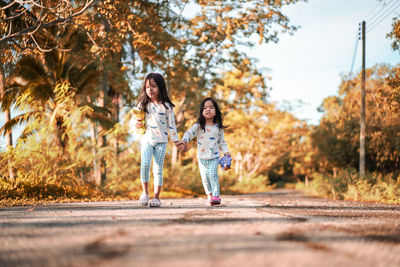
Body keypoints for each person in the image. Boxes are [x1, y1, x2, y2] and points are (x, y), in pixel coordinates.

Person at [131, 72, 184, 207]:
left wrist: (176, 141)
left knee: (158, 168)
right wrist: (136, 125)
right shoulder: (142, 105)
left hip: (161, 141)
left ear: (160, 87)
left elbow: (171, 126)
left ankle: (156, 197)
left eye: (154, 86)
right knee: (145, 165)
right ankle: (145, 193)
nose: (150, 89)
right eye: (148, 87)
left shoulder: (167, 106)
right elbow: (133, 122)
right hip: (147, 140)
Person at [181, 97, 231, 206]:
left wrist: (226, 152)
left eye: (211, 108)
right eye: (205, 108)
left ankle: (216, 196)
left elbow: (222, 142)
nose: (208, 110)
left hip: (214, 156)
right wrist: (184, 141)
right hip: (201, 157)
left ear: (216, 111)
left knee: (213, 174)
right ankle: (209, 196)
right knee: (204, 178)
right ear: (202, 111)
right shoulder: (198, 126)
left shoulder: (218, 128)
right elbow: (189, 133)